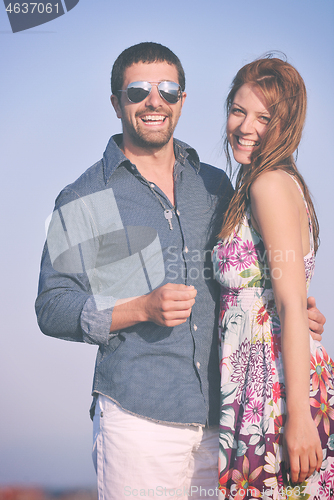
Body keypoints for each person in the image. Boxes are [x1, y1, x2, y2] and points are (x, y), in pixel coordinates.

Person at [35, 44, 325, 500]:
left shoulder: (215, 184)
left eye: (168, 89)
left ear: (182, 101)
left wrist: (287, 310)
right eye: (138, 90)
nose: (155, 101)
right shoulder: (86, 196)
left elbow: (247, 277)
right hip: (139, 420)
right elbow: (52, 306)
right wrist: (137, 308)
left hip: (227, 417)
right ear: (116, 103)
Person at [212, 57, 333, 499]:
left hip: (277, 390)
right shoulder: (263, 183)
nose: (245, 126)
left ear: (287, 126)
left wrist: (298, 417)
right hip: (263, 382)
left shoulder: (267, 185)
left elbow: (287, 304)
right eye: (239, 110)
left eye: (264, 117)